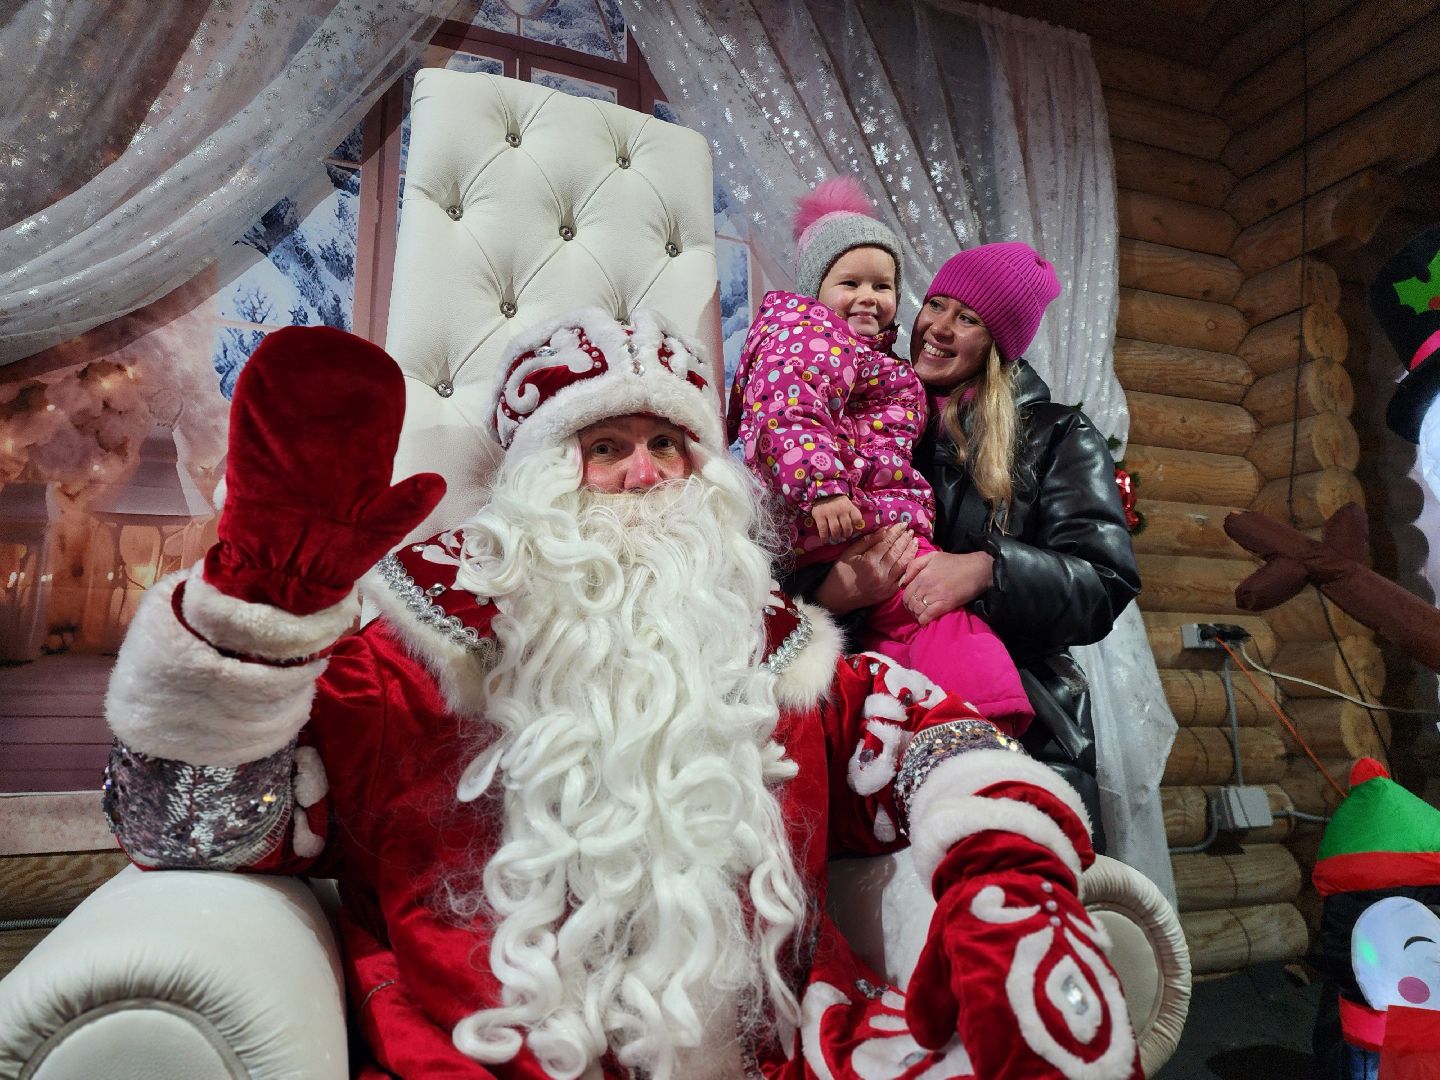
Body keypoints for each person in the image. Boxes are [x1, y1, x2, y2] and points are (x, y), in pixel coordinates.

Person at [101, 314, 1139, 1079]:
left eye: (670, 445)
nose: (647, 476)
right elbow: (189, 831)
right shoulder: (413, 657)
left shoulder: (782, 655)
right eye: (606, 447)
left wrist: (1000, 850)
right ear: (545, 479)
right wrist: (254, 619)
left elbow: (926, 740)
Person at [800, 242, 1142, 849]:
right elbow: (784, 556)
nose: (937, 328)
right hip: (864, 722)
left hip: (1015, 726)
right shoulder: (852, 414)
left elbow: (1105, 582)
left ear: (998, 343)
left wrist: (989, 568)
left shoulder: (1057, 435)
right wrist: (834, 591)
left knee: (997, 906)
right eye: (936, 304)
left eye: (968, 318)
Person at [729, 177, 1032, 732]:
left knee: (910, 627)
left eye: (883, 285)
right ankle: (983, 722)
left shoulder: (871, 360)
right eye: (849, 282)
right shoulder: (807, 339)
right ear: (815, 290)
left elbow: (1098, 577)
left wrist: (989, 566)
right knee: (939, 622)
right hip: (837, 518)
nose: (869, 296)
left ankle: (930, 730)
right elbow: (786, 414)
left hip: (860, 526)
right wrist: (825, 491)